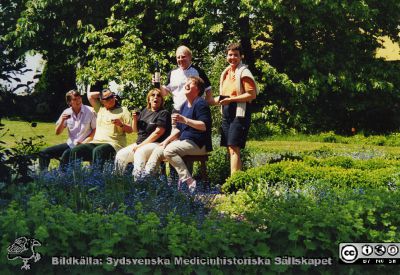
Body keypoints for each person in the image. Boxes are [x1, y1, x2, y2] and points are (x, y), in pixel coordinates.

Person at [145, 76, 212, 193]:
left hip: (199, 144)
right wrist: (165, 141)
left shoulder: (200, 103)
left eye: (190, 83)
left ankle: (188, 180)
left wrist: (185, 120)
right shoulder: (184, 105)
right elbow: (178, 130)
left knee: (169, 151)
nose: (186, 84)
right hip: (185, 141)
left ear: (197, 89)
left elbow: (204, 126)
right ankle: (147, 181)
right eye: (186, 82)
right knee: (159, 150)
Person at [218, 42, 257, 175]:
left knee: (234, 147)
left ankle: (233, 183)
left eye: (235, 55)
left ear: (241, 57)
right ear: (226, 56)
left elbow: (251, 95)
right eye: (230, 55)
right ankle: (236, 179)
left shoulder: (244, 72)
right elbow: (223, 95)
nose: (232, 58)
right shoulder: (226, 72)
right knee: (230, 148)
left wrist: (232, 99)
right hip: (227, 111)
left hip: (240, 111)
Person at [114, 88, 171, 178]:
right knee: (121, 155)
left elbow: (158, 132)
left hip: (157, 144)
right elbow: (135, 130)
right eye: (153, 95)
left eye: (158, 96)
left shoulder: (163, 113)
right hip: (140, 143)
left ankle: (138, 181)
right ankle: (118, 181)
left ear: (161, 100)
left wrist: (141, 145)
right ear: (149, 99)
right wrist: (135, 119)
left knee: (140, 152)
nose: (156, 97)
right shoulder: (144, 111)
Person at [70, 88, 132, 168]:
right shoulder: (100, 109)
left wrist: (121, 124)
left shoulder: (123, 110)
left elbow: (130, 130)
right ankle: (73, 177)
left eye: (111, 96)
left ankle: (96, 178)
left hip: (114, 144)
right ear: (102, 101)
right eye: (107, 98)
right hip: (96, 142)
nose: (111, 99)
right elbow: (90, 95)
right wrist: (102, 93)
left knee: (98, 151)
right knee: (76, 151)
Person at [38, 90, 96, 171]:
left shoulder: (90, 111)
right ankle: (44, 177)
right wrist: (62, 121)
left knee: (66, 154)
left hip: (85, 145)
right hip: (71, 144)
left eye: (79, 98)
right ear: (69, 102)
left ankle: (62, 179)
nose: (78, 101)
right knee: (43, 153)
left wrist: (84, 142)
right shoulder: (67, 112)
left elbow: (95, 130)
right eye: (75, 99)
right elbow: (57, 132)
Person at [158, 45, 213, 110]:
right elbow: (164, 93)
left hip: (195, 109)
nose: (180, 59)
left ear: (190, 57)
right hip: (178, 111)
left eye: (183, 57)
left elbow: (208, 88)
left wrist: (206, 103)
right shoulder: (172, 73)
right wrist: (158, 83)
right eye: (178, 57)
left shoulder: (198, 71)